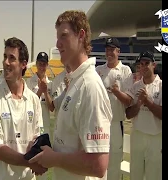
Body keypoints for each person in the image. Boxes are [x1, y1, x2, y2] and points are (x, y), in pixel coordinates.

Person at [28, 10, 112, 180]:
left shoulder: (90, 86)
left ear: (81, 36)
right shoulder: (75, 82)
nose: (58, 44)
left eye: (64, 36)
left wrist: (54, 158)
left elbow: (98, 165)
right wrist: (45, 152)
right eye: (57, 38)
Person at [0, 37, 47, 180]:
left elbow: (37, 137)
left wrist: (38, 151)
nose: (6, 62)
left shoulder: (33, 100)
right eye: (5, 57)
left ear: (23, 64)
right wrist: (30, 162)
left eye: (12, 58)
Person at [95, 37, 133, 180]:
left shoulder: (125, 70)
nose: (109, 52)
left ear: (118, 51)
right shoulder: (99, 70)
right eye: (107, 49)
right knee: (100, 161)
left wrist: (117, 92)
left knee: (115, 163)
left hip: (116, 123)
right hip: (100, 124)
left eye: (112, 49)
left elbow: (129, 101)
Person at [125, 51, 162, 180]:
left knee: (154, 175)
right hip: (138, 135)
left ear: (154, 65)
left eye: (147, 63)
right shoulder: (136, 86)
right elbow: (128, 114)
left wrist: (148, 102)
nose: (144, 66)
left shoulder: (161, 85)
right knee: (135, 173)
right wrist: (139, 104)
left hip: (155, 137)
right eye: (141, 64)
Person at [26, 52, 52, 135]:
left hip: (45, 124)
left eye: (44, 64)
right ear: (36, 64)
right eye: (40, 64)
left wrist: (45, 92)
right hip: (32, 123)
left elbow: (51, 108)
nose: (41, 67)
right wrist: (40, 90)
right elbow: (29, 105)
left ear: (47, 65)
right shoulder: (29, 82)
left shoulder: (50, 83)